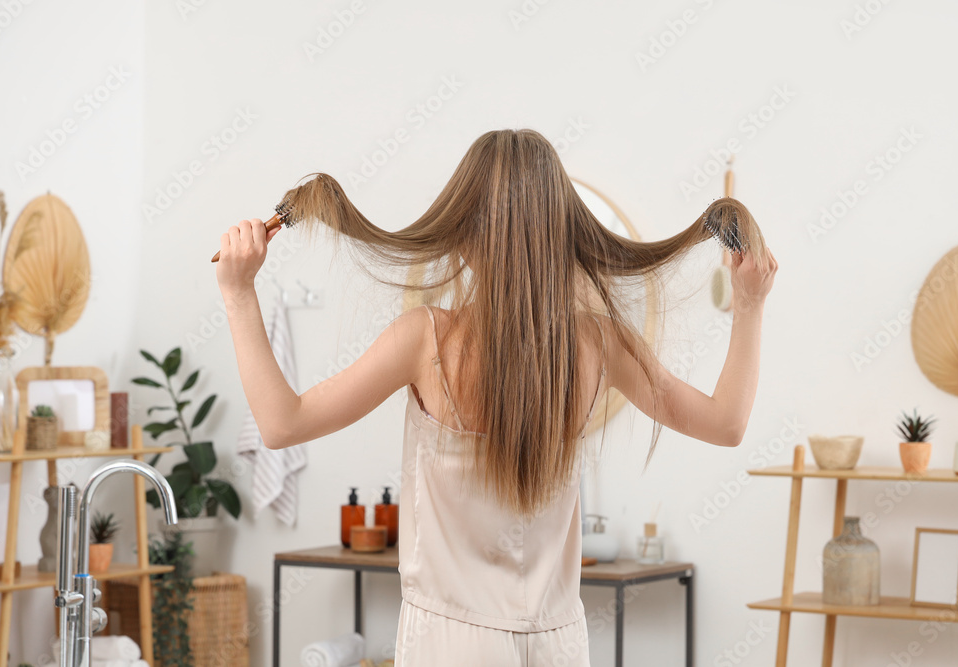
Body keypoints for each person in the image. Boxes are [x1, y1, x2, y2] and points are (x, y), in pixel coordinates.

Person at [216, 128, 777, 666]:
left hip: (448, 643)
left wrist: (239, 293)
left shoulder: (425, 338)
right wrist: (749, 305)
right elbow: (725, 424)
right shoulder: (599, 343)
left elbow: (282, 425)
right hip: (559, 643)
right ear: (564, 233)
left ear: (462, 232)